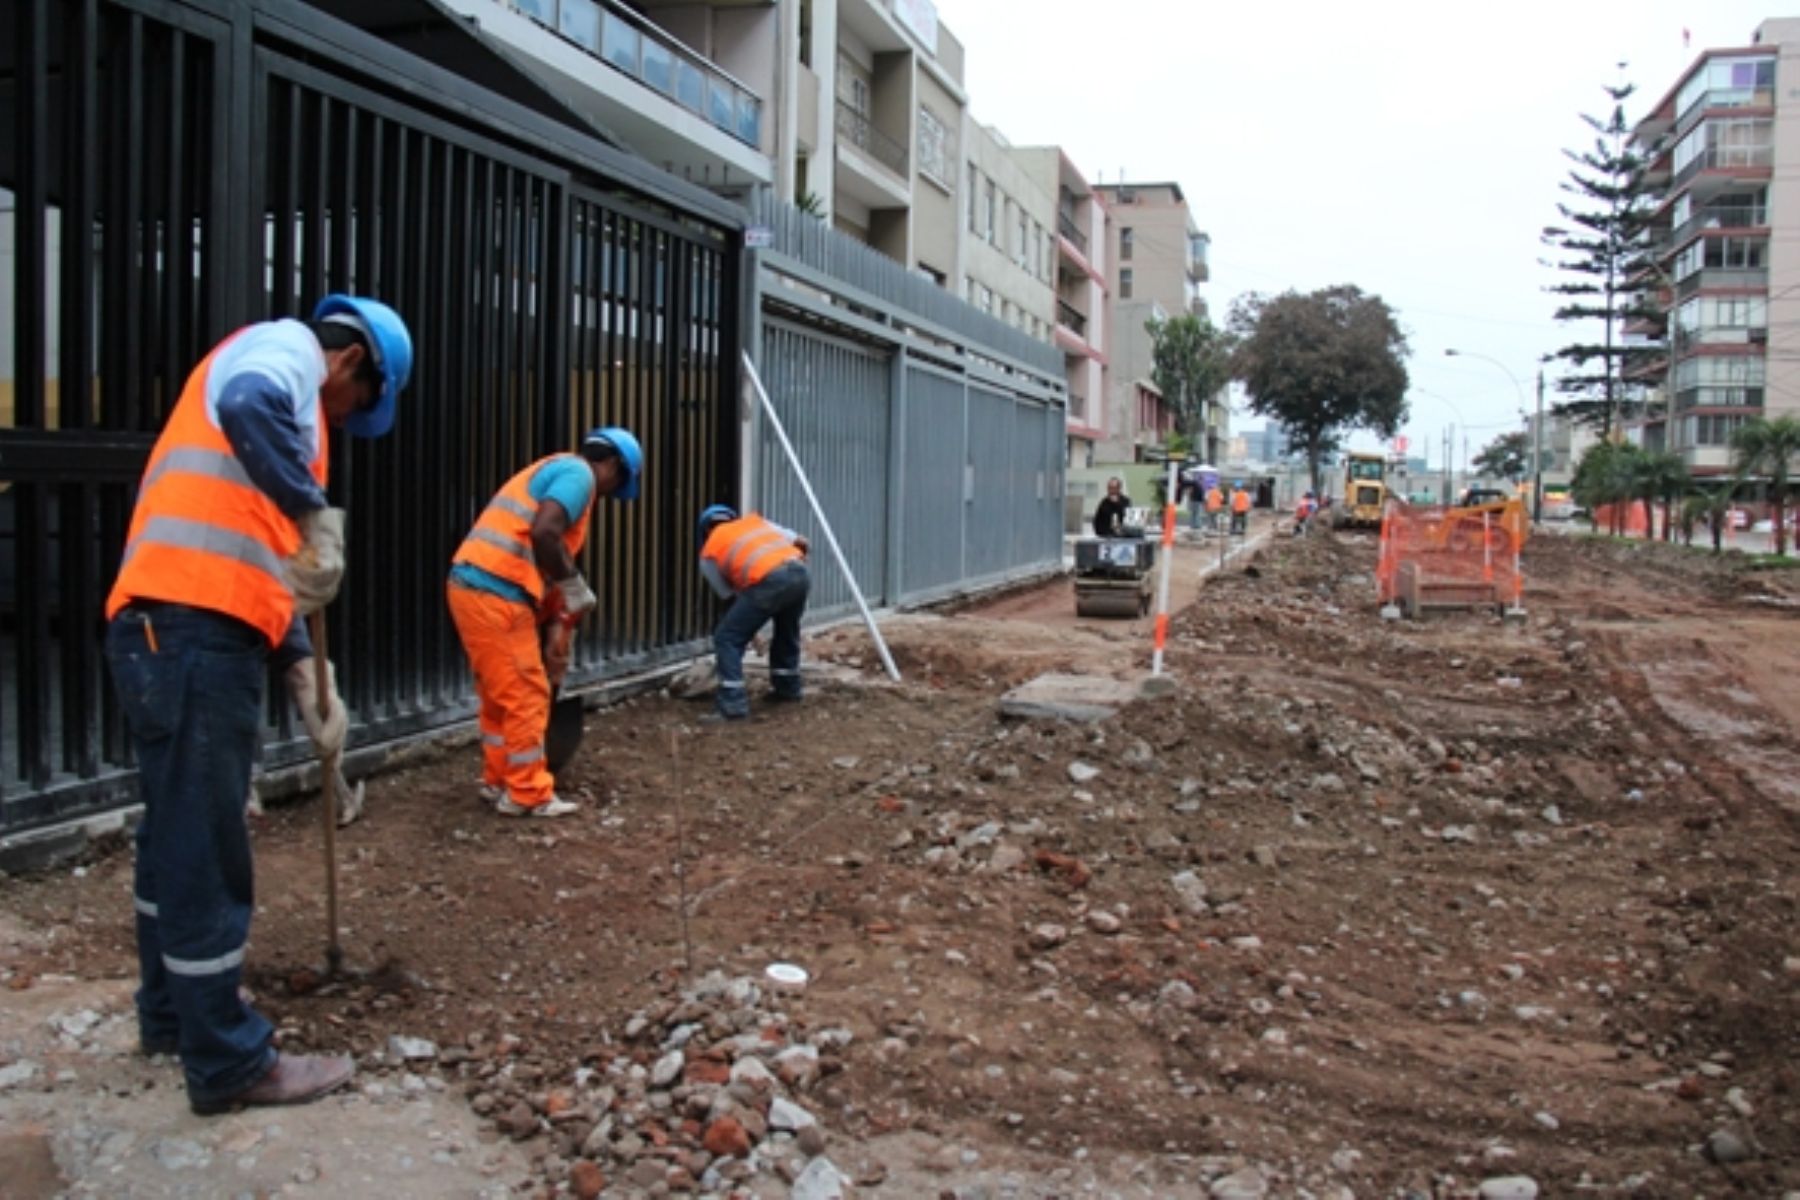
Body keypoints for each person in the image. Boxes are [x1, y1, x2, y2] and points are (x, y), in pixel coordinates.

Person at [104, 294, 413, 1115]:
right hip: (192, 634)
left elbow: (251, 557)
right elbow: (250, 409)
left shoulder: (272, 408)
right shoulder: (283, 355)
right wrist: (311, 513)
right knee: (206, 848)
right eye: (357, 407)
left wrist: (307, 674)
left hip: (169, 628)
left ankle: (171, 1016)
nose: (344, 422)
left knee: (173, 836)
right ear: (351, 364)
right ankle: (229, 1062)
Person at [446, 427, 644, 818]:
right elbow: (544, 533)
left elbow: (544, 561)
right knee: (525, 691)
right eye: (617, 482)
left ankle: (500, 779)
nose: (607, 494)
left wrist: (561, 623)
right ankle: (527, 793)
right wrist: (574, 585)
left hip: (476, 587)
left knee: (500, 693)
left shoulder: (555, 472)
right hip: (495, 590)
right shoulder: (579, 474)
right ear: (612, 464)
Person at [695, 505, 811, 721]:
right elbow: (803, 540)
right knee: (787, 630)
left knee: (727, 637)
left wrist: (750, 633)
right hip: (800, 573)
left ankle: (732, 704)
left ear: (705, 531)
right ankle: (788, 688)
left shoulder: (709, 551)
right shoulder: (756, 523)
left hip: (770, 580)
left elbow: (730, 598)